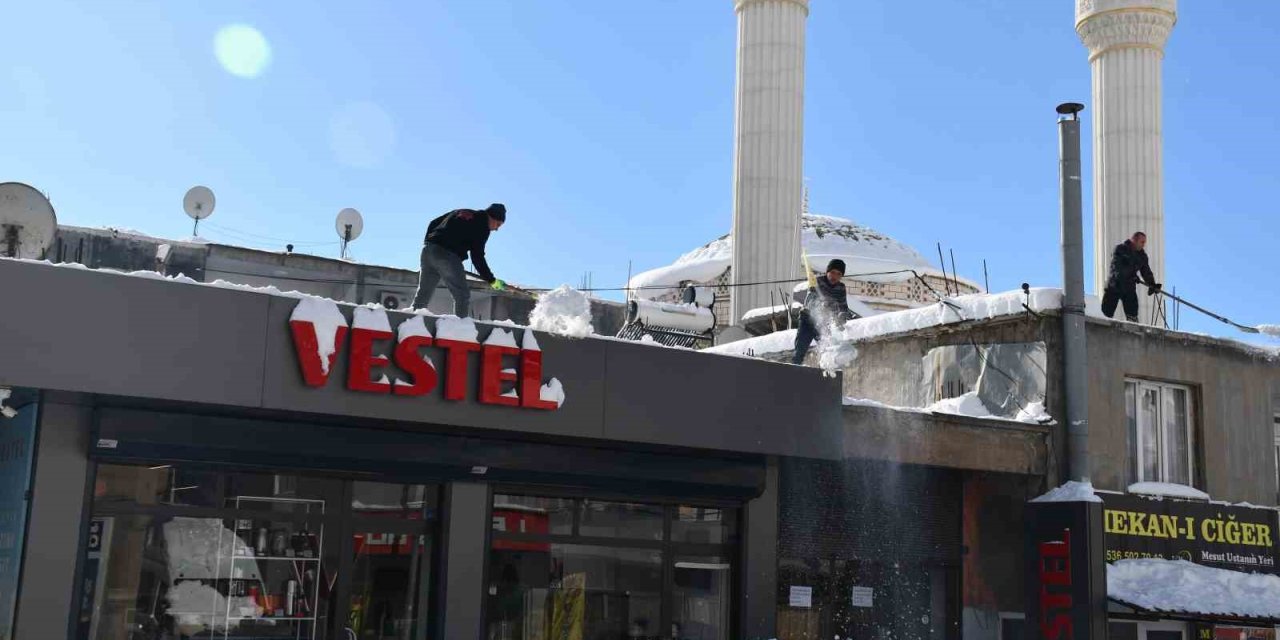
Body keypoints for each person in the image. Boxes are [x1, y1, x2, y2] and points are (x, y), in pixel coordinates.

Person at [411, 203, 506, 317]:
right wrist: (491, 280)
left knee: (424, 292)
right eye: (498, 225)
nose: (496, 229)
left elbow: (433, 223)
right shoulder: (482, 225)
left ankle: (413, 318)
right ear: (492, 217)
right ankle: (461, 325)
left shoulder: (462, 211)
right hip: (447, 255)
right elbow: (477, 257)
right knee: (462, 293)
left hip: (428, 251)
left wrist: (429, 242)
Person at [792, 259, 856, 365]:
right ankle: (793, 371)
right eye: (832, 272)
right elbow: (809, 300)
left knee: (828, 349)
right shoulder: (816, 282)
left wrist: (842, 317)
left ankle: (827, 372)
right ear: (827, 272)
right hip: (807, 320)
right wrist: (820, 305)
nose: (834, 276)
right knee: (800, 350)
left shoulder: (841, 288)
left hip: (823, 323)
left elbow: (843, 307)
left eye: (838, 274)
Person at [1101, 231, 1161, 322]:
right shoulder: (1120, 249)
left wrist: (1152, 284)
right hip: (1115, 285)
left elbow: (1146, 271)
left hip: (1129, 287)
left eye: (1144, 242)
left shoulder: (1142, 256)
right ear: (1134, 240)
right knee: (1106, 315)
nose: (1143, 245)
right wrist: (1131, 275)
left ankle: (1133, 331)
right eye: (1142, 242)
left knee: (1133, 316)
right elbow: (1116, 268)